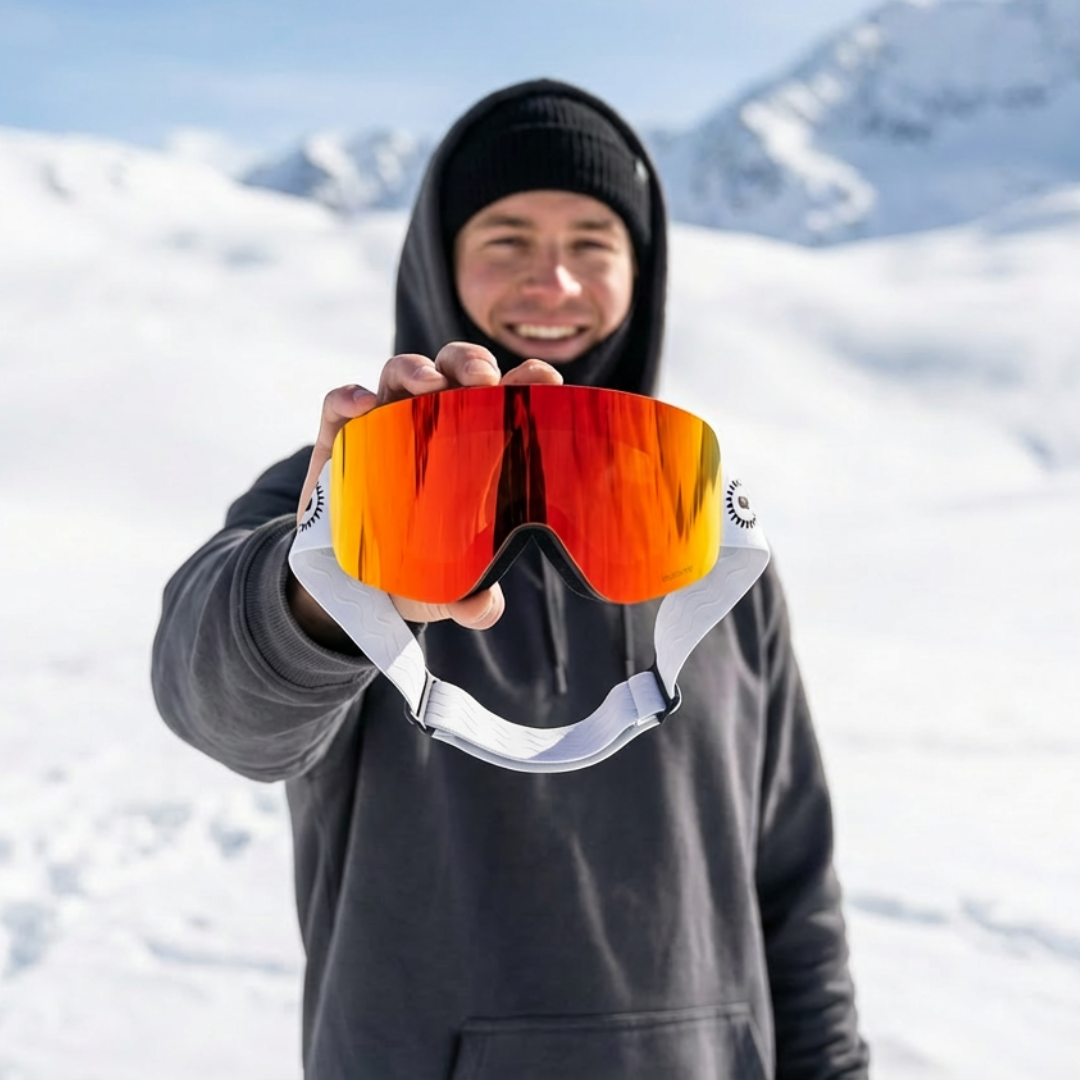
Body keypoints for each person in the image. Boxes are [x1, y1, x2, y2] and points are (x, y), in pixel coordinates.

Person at [152, 79, 870, 1079]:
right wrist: (327, 593)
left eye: (591, 243)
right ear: (437, 261)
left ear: (642, 273)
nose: (555, 284)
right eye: (508, 240)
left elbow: (792, 877)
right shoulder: (344, 499)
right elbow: (216, 703)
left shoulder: (702, 527)